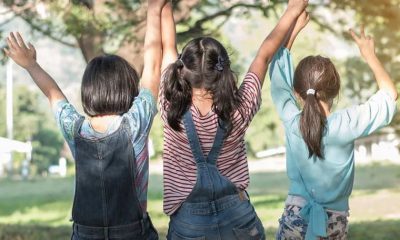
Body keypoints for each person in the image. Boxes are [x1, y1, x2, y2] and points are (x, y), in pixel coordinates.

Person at [3, 0, 166, 239]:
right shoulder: (135, 124)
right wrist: (154, 10)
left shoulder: (75, 130)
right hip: (132, 232)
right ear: (127, 89)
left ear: (88, 91)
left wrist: (31, 65)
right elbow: (152, 68)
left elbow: (53, 93)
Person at [159, 0, 308, 239]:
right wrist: (291, 12)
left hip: (189, 221)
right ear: (224, 71)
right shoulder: (240, 108)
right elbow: (264, 56)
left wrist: (162, 7)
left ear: (182, 71)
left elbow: (166, 45)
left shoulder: (170, 108)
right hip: (238, 218)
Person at [270, 11, 398, 240]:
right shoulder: (347, 123)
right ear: (335, 90)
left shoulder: (292, 122)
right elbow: (390, 94)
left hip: (294, 219)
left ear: (298, 94)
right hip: (334, 224)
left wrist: (293, 31)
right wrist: (369, 55)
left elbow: (278, 80)